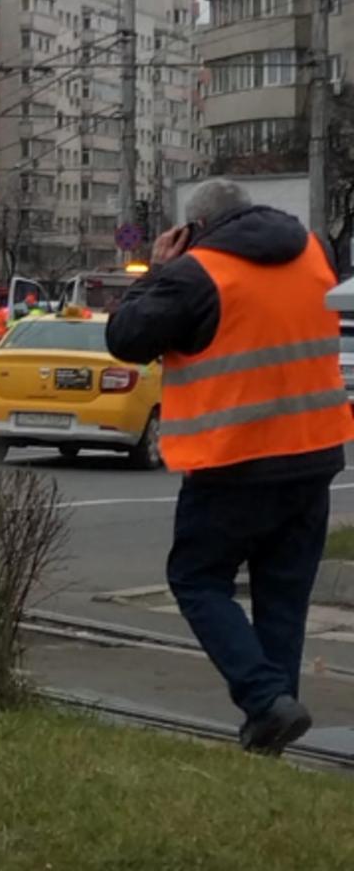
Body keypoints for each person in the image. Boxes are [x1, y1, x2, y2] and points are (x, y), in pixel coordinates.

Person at [107, 179, 354, 756]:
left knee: (197, 579)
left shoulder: (198, 273)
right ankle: (271, 727)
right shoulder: (313, 250)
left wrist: (161, 270)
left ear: (195, 229)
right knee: (283, 598)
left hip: (235, 459)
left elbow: (125, 338)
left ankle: (265, 700)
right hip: (312, 457)